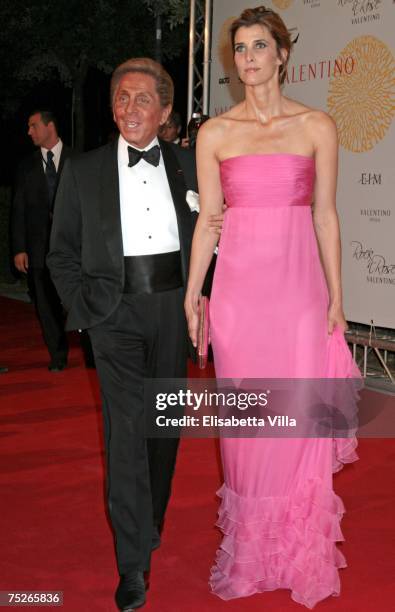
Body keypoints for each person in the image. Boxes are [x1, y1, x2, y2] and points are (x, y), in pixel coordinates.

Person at [185, 6, 360, 609]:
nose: (250, 58)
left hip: (298, 299)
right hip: (237, 299)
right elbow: (209, 222)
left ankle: (297, 555)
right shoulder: (216, 133)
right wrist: (193, 294)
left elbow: (326, 216)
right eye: (240, 49)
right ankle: (254, 558)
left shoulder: (317, 125)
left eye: (261, 46)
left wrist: (338, 298)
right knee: (245, 432)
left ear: (282, 54)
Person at [47, 57, 220, 611]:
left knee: (163, 431)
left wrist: (204, 296)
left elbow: (213, 235)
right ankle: (132, 565)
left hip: (173, 308)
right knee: (125, 435)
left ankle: (150, 520)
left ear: (166, 110)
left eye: (142, 99)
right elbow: (60, 252)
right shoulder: (85, 169)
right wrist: (86, 308)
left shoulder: (190, 165)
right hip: (112, 315)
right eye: (121, 98)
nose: (129, 108)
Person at [11, 110, 72, 371]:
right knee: (46, 306)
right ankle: (58, 356)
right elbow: (18, 210)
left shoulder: (78, 160)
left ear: (50, 125)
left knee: (78, 301)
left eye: (33, 126)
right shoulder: (26, 166)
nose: (29, 132)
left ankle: (93, 353)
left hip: (73, 249)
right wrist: (19, 248)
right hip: (37, 249)